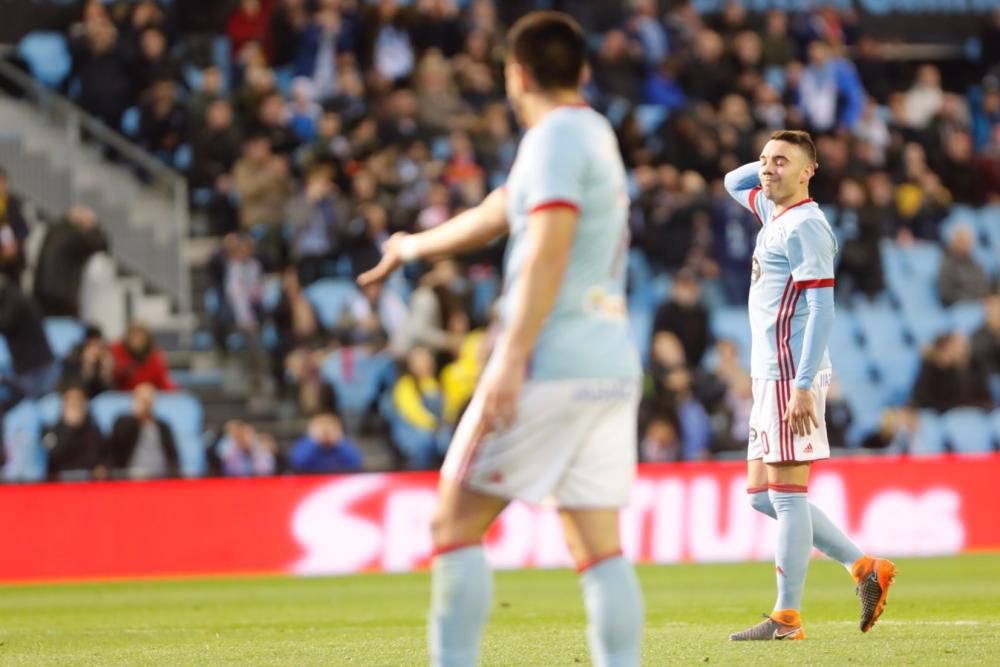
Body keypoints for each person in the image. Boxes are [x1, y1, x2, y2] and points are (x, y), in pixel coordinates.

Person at [359, 13, 643, 666]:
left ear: (515, 76)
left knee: (452, 526)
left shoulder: (551, 141)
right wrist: (412, 245)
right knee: (597, 547)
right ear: (584, 73)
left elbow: (545, 245)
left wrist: (512, 357)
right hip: (608, 364)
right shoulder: (591, 133)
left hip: (550, 363)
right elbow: (498, 211)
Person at [723, 130, 895, 641]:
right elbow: (734, 180)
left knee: (788, 495)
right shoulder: (773, 213)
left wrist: (800, 384)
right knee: (761, 496)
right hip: (767, 375)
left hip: (788, 376)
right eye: (764, 159)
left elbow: (823, 307)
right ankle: (864, 568)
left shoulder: (805, 226)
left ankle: (786, 617)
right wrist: (773, 167)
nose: (768, 168)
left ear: (809, 172)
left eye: (782, 162)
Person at [107, 383, 179, 479]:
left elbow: (173, 455)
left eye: (148, 401)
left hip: (160, 477)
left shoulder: (163, 426)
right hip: (130, 477)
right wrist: (135, 417)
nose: (146, 405)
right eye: (142, 400)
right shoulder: (123, 422)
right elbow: (116, 447)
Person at [43, 385, 107, 481]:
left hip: (87, 483)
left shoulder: (93, 430)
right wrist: (68, 428)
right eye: (72, 403)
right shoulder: (51, 430)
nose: (76, 405)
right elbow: (53, 457)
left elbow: (97, 459)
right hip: (59, 483)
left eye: (79, 401)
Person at [110, 322, 176, 391]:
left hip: (148, 394)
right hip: (121, 395)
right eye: (134, 335)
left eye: (140, 336)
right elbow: (113, 377)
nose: (136, 340)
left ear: (147, 339)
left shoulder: (155, 355)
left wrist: (175, 394)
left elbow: (163, 381)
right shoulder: (117, 351)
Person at [289, 413, 363, 474]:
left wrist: (338, 441)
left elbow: (356, 463)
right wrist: (315, 441)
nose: (326, 431)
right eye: (321, 426)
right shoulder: (306, 443)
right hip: (310, 480)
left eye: (330, 426)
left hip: (337, 481)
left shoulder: (342, 443)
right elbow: (298, 463)